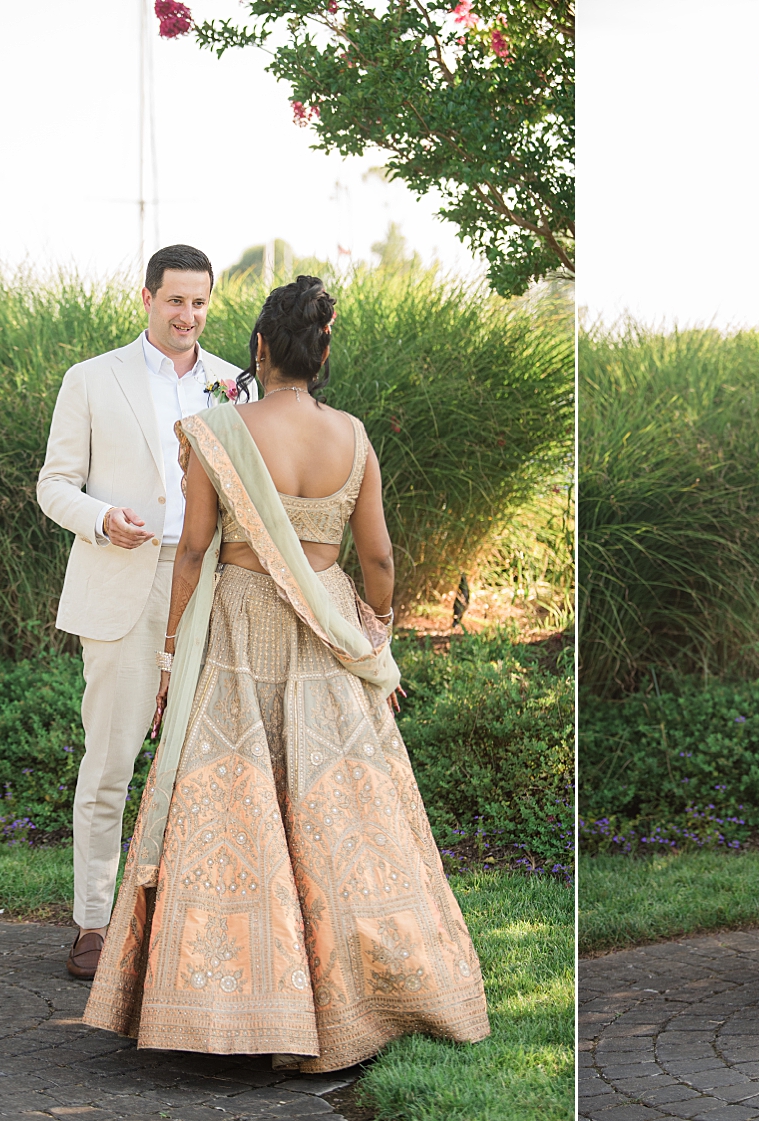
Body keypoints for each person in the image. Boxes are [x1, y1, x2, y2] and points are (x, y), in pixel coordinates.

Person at [82, 275, 490, 1070]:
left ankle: (221, 1001)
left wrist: (172, 656)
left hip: (236, 626)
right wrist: (374, 633)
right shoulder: (353, 435)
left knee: (230, 808)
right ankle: (369, 990)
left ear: (259, 349)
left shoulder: (217, 430)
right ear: (324, 350)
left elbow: (193, 551)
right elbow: (379, 556)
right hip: (328, 625)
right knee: (343, 808)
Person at [38, 244, 248, 981]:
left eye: (199, 303)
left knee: (202, 764)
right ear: (147, 297)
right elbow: (53, 484)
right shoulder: (92, 379)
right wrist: (101, 518)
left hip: (213, 587)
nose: (188, 315)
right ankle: (94, 923)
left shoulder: (234, 385)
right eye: (174, 301)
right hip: (125, 577)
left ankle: (178, 917)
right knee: (110, 760)